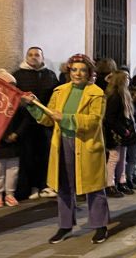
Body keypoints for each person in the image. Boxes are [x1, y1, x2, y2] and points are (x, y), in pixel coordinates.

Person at [21, 54, 110, 244]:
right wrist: (33, 106)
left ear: (89, 72)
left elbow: (95, 121)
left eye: (83, 70)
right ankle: (65, 226)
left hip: (86, 145)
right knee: (64, 186)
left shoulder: (97, 93)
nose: (78, 74)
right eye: (74, 70)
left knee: (94, 187)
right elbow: (47, 118)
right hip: (62, 144)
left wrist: (67, 118)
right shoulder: (59, 91)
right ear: (69, 71)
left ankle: (100, 226)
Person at [13, 46, 59, 201]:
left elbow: (56, 95)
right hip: (27, 123)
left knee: (46, 154)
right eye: (30, 55)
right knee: (29, 156)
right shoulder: (18, 75)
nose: (33, 57)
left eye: (37, 55)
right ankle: (31, 187)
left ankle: (44, 185)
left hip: (45, 121)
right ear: (26, 57)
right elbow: (13, 97)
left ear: (42, 58)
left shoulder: (50, 75)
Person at [0, 69, 27, 208]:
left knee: (12, 170)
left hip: (14, 143)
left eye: (13, 85)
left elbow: (25, 120)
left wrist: (17, 134)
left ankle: (10, 194)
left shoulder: (18, 103)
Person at [103, 71, 136, 198]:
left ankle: (121, 181)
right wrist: (123, 130)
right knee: (113, 158)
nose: (129, 80)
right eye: (126, 78)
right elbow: (110, 118)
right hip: (115, 133)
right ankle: (109, 184)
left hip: (123, 132)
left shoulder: (124, 94)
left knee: (122, 158)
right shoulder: (115, 96)